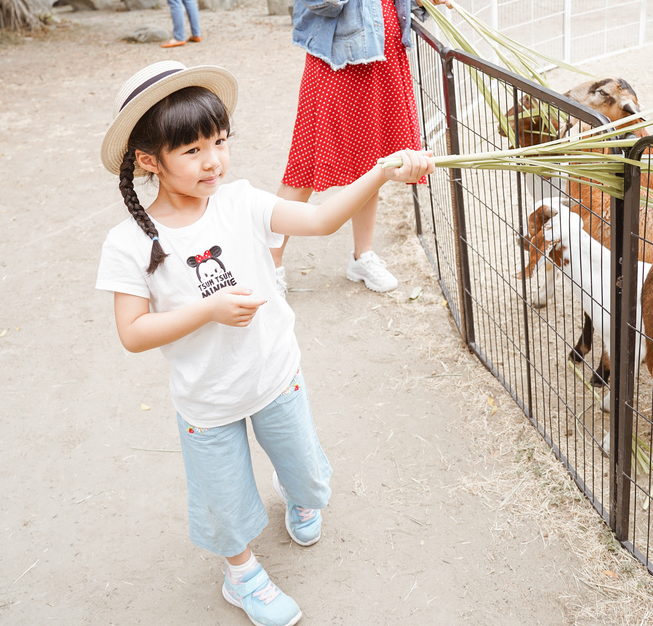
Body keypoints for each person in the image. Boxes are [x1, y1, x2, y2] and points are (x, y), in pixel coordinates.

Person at [96, 60, 433, 626]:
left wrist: (378, 172)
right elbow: (132, 333)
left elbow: (322, 220)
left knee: (308, 478)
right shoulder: (128, 242)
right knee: (225, 501)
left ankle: (299, 491)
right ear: (148, 160)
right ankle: (243, 574)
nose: (213, 161)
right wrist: (207, 310)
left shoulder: (243, 201)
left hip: (276, 375)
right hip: (208, 402)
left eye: (220, 142)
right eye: (193, 151)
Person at [272, 0, 451, 295]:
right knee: (306, 163)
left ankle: (362, 257)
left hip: (387, 59)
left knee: (375, 162)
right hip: (337, 62)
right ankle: (270, 264)